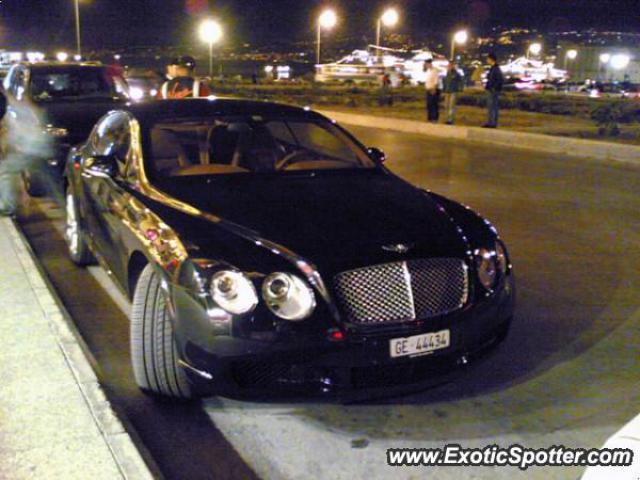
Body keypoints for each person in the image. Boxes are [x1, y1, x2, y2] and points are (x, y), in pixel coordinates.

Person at [484, 52, 504, 128]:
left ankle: (492, 123)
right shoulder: (493, 68)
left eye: (488, 59)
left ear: (491, 59)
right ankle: (491, 122)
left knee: (492, 107)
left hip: (493, 91)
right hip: (491, 90)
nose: (487, 60)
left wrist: (494, 88)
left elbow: (500, 80)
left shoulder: (495, 69)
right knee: (492, 107)